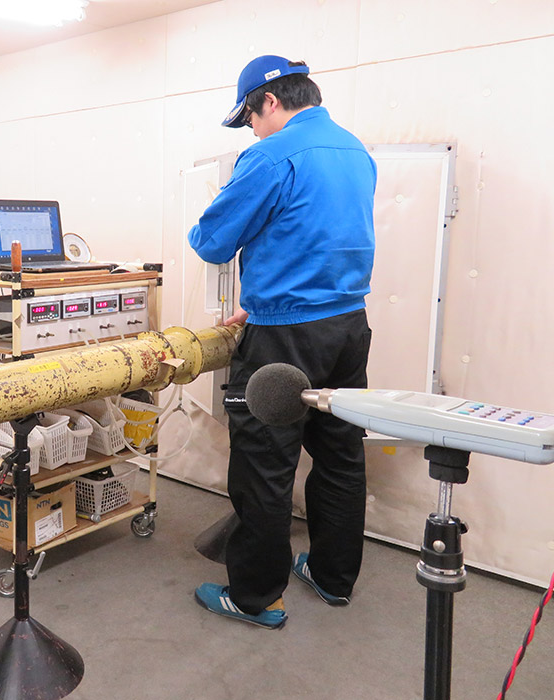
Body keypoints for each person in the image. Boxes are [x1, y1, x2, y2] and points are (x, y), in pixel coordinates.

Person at [187, 55, 376, 629]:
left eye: (249, 118)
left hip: (284, 344)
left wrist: (273, 302)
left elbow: (212, 241)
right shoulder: (355, 150)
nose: (252, 130)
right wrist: (266, 296)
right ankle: (332, 576)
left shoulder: (271, 155)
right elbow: (315, 236)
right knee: (341, 455)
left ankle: (254, 596)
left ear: (269, 101)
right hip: (348, 327)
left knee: (265, 466)